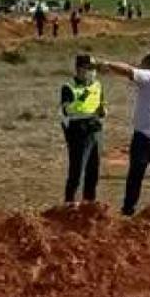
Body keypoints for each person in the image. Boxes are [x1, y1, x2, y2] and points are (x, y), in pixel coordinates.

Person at [98, 53, 150, 215]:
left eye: (143, 65)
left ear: (149, 65)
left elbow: (128, 71)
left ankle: (129, 209)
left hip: (145, 135)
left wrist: (107, 64)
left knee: (135, 175)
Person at [60, 54, 107, 203]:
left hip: (95, 128)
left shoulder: (97, 85)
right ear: (79, 69)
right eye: (89, 69)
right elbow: (67, 110)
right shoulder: (68, 87)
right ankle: (70, 203)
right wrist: (83, 96)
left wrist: (103, 110)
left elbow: (101, 102)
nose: (92, 72)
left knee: (93, 170)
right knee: (77, 171)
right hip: (78, 130)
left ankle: (89, 203)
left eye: (93, 69)